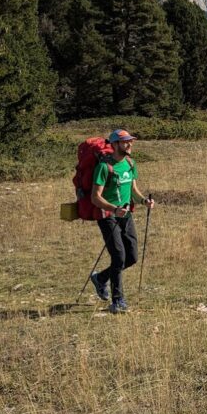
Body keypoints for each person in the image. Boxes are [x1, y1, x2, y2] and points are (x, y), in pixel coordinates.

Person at [89, 129, 155, 313]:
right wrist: (114, 209)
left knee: (131, 257)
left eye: (130, 141)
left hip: (125, 215)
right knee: (119, 256)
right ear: (115, 144)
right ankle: (118, 302)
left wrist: (143, 201)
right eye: (125, 142)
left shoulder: (130, 163)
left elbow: (134, 190)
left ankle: (100, 278)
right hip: (108, 216)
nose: (130, 144)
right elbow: (95, 197)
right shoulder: (104, 167)